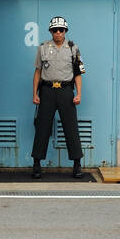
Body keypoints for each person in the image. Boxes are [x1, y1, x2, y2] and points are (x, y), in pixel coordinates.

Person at [30, 15, 86, 179]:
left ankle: (77, 164)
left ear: (65, 31)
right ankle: (36, 164)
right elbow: (38, 72)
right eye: (55, 30)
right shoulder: (43, 48)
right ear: (51, 31)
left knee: (71, 127)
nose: (58, 33)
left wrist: (79, 93)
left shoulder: (73, 48)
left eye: (61, 30)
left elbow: (78, 74)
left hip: (66, 91)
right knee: (42, 127)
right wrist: (34, 94)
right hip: (47, 91)